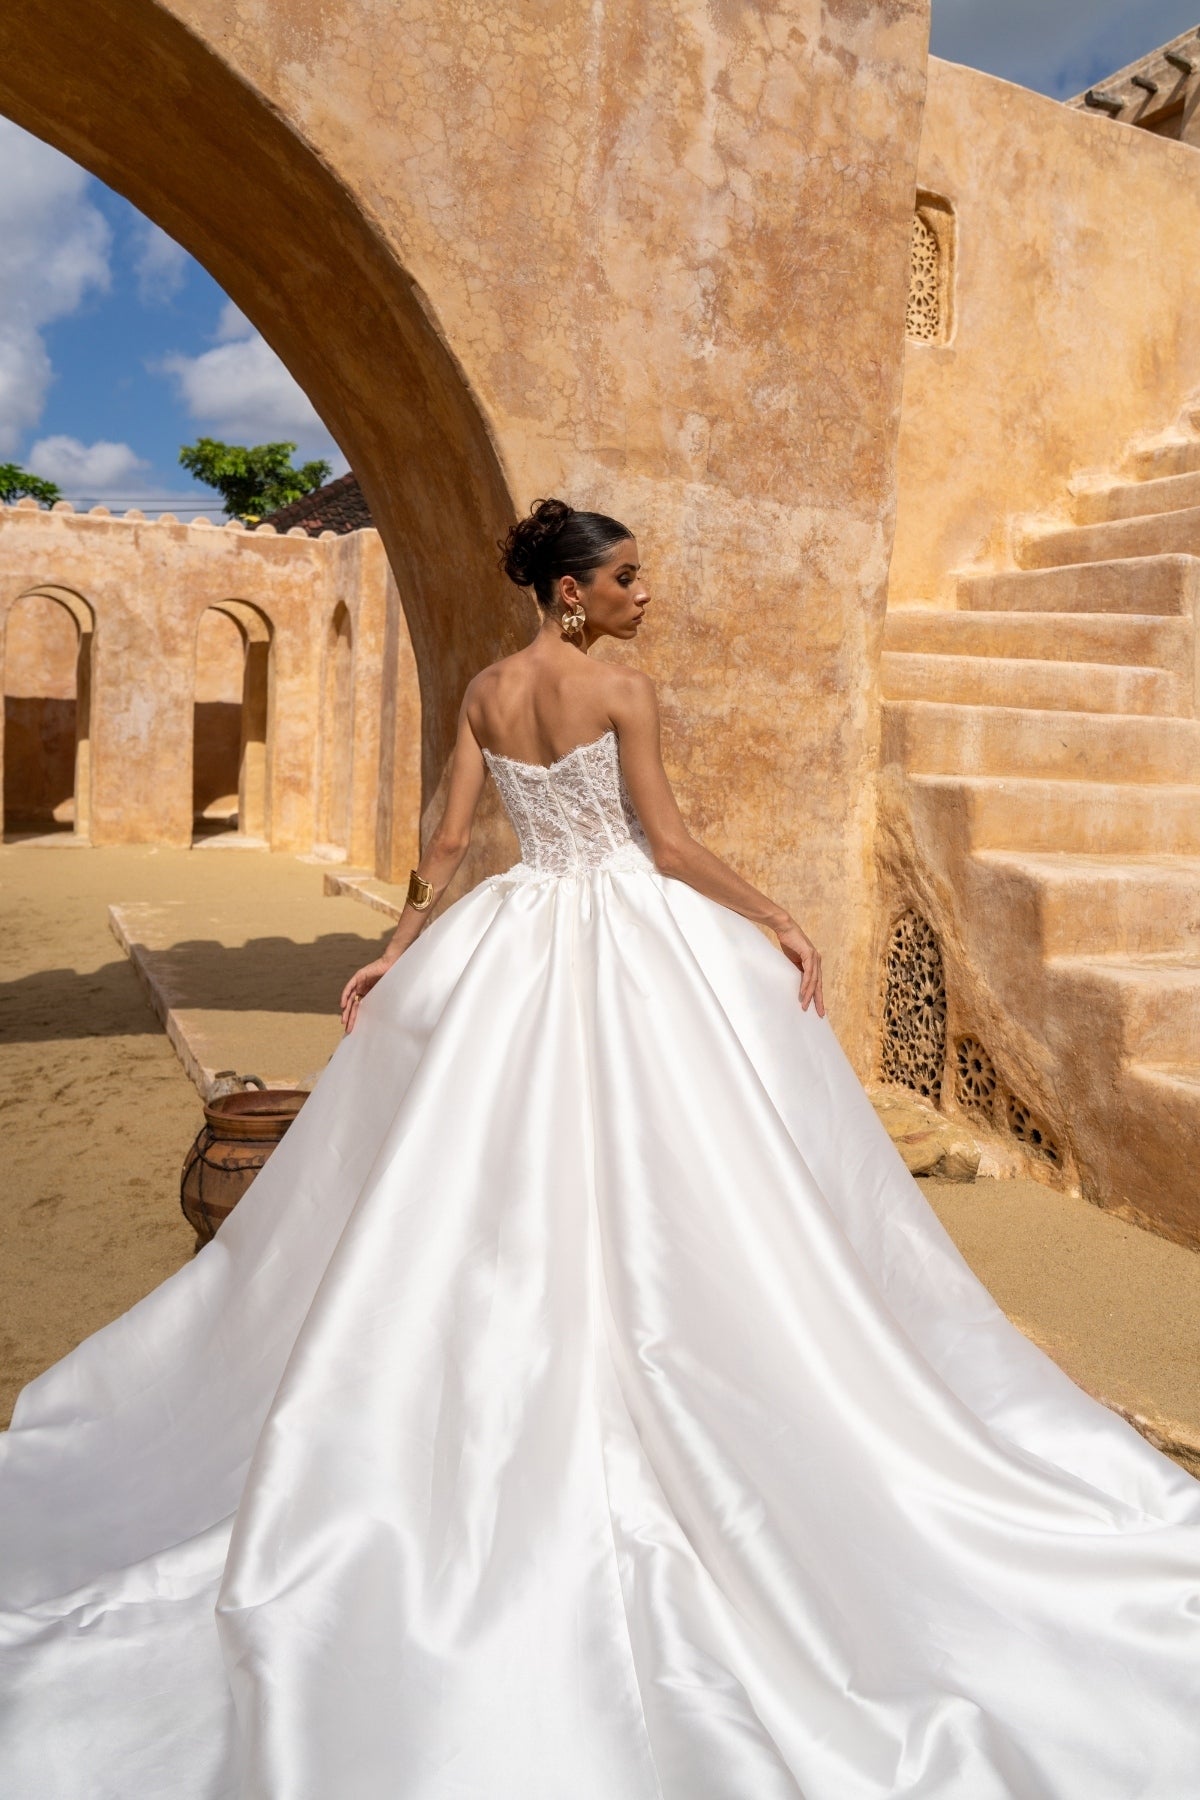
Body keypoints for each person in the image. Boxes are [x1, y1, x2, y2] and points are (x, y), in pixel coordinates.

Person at [0, 499, 1197, 1800]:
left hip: (510, 937)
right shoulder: (619, 689)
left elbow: (450, 845)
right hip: (627, 932)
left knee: (495, 1173)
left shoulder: (484, 693)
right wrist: (779, 915)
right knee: (680, 1156)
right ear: (571, 594)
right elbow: (669, 847)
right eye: (627, 578)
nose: (645, 595)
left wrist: (399, 950)